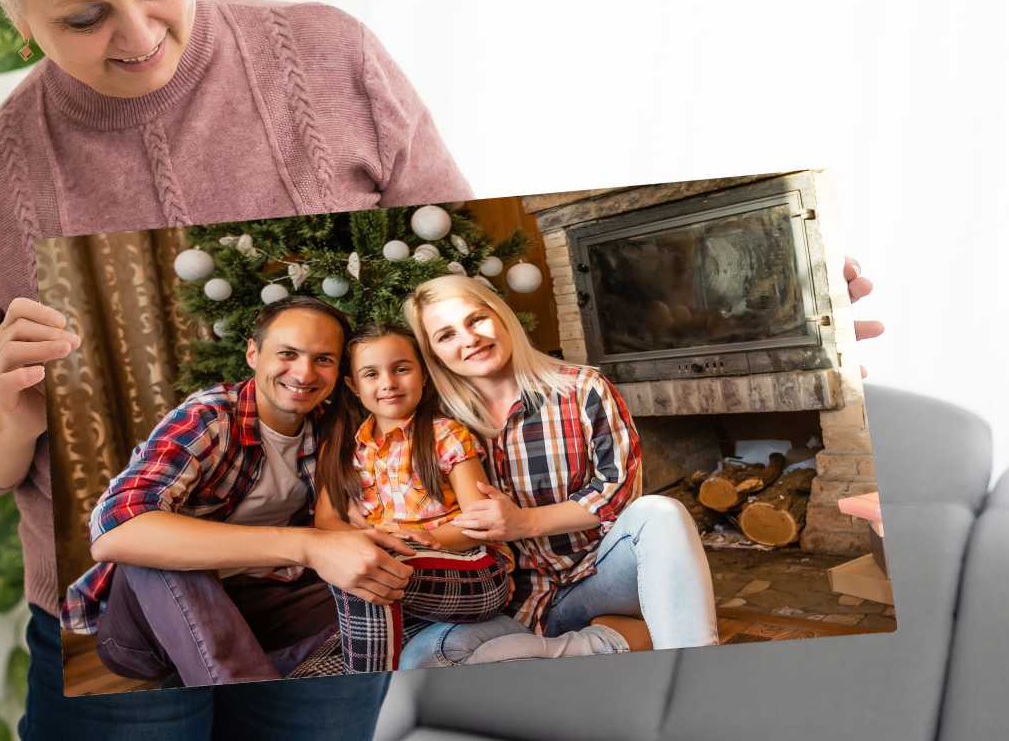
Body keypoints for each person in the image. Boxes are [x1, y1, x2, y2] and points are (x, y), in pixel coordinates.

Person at [0, 0, 471, 741]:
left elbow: (446, 288)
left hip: (323, 605)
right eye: (83, 17)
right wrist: (6, 416)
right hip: (116, 633)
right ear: (16, 16)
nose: (137, 34)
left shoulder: (331, 63)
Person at [62, 297, 423, 687]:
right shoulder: (210, 417)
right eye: (287, 353)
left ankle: (285, 672)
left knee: (381, 575)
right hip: (149, 628)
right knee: (154, 545)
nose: (304, 373)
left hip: (261, 606)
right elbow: (115, 529)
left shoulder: (332, 429)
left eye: (323, 359)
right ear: (253, 352)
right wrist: (306, 544)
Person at [400, 274, 717, 662]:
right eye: (446, 335)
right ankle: (601, 642)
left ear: (501, 316)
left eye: (476, 319)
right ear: (433, 354)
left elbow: (616, 492)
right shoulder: (438, 428)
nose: (469, 339)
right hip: (513, 602)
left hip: (599, 576)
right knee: (424, 658)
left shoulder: (582, 389)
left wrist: (524, 522)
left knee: (661, 512)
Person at [312, 322, 514, 672]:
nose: (388, 383)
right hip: (402, 590)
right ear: (353, 386)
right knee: (309, 673)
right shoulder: (342, 449)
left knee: (371, 564)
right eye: (371, 374)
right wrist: (370, 537)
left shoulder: (445, 435)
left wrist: (428, 538)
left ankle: (370, 697)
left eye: (401, 369)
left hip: (474, 571)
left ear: (422, 375)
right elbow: (326, 522)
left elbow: (480, 523)